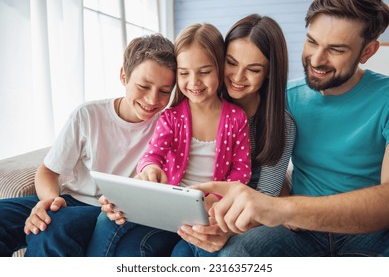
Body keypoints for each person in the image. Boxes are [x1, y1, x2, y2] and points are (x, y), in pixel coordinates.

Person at [191, 0, 389, 256]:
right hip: (298, 232)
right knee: (233, 257)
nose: (317, 60)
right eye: (312, 42)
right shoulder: (284, 99)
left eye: (337, 50)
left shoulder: (384, 98)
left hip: (370, 235)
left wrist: (279, 208)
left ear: (367, 51)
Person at [0, 34, 177, 256]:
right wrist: (50, 202)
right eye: (144, 85)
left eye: (164, 91)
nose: (152, 100)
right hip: (69, 200)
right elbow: (48, 171)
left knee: (53, 227)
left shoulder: (168, 125)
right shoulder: (88, 115)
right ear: (124, 75)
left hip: (108, 213)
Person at [86, 23, 252, 257]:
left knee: (185, 255)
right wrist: (150, 168)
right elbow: (153, 154)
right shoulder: (172, 117)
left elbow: (241, 173)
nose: (193, 83)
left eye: (204, 72)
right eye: (184, 73)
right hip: (168, 207)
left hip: (208, 214)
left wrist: (215, 199)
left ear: (220, 68)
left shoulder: (236, 118)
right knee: (109, 219)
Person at [171, 14, 296, 256]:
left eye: (253, 69)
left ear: (270, 72)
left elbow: (266, 197)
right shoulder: (202, 100)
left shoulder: (282, 124)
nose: (238, 77)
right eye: (231, 62)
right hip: (196, 206)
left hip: (244, 212)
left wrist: (226, 230)